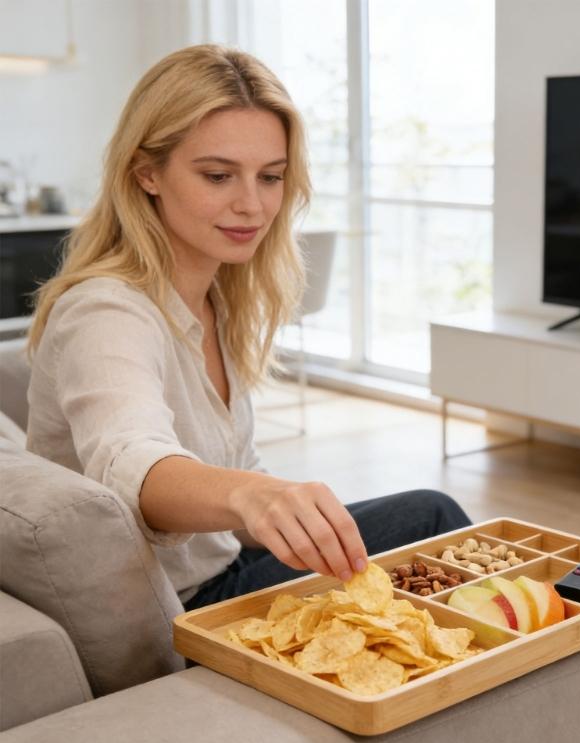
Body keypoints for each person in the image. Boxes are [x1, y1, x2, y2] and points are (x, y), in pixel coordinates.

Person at [25, 44, 471, 610]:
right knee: (433, 518)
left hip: (226, 560)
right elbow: (131, 460)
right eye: (218, 176)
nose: (253, 206)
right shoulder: (104, 312)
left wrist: (283, 515)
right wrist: (253, 496)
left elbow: (233, 467)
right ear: (146, 173)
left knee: (428, 520)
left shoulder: (217, 298)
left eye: (270, 177)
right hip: (179, 598)